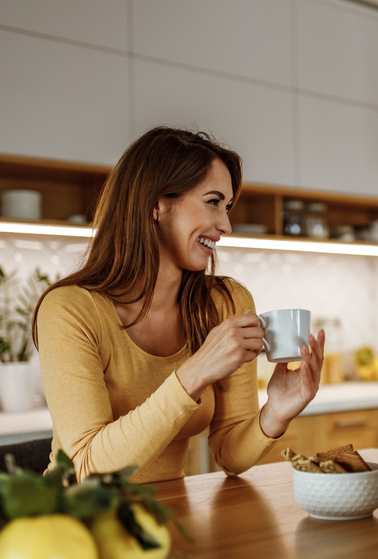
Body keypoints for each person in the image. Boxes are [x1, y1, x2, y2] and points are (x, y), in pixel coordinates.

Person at [33, 127, 324, 483]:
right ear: (157, 204)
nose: (226, 225)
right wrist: (195, 372)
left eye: (228, 207)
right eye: (213, 202)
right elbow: (88, 468)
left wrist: (274, 414)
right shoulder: (69, 310)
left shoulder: (225, 304)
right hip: (79, 512)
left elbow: (230, 454)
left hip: (169, 509)